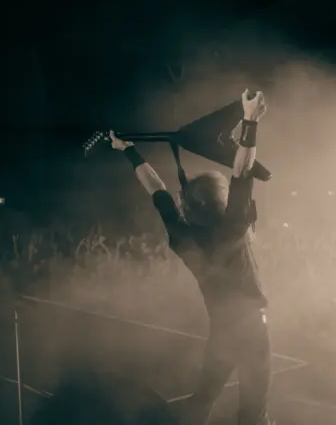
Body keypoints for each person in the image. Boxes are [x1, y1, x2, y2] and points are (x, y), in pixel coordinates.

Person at [109, 89, 273, 425]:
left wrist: (129, 151)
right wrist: (250, 120)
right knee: (252, 414)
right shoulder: (232, 228)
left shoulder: (183, 238)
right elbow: (242, 169)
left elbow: (157, 189)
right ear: (220, 199)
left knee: (202, 400)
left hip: (222, 331)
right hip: (251, 332)